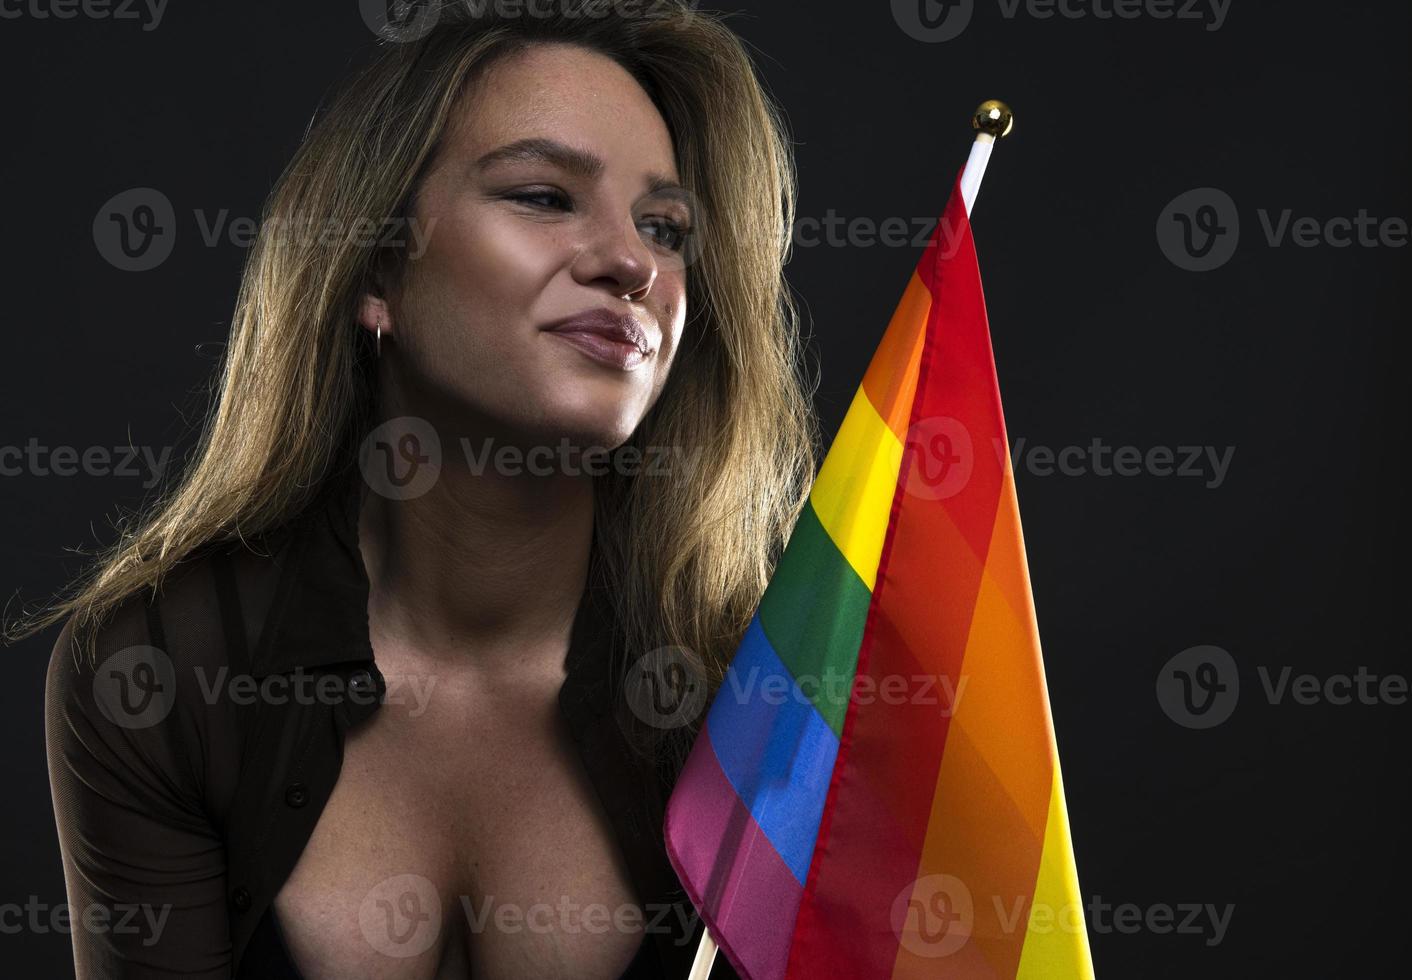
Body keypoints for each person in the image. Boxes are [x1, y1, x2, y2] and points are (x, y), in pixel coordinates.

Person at [8, 2, 817, 976]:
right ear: (378, 265)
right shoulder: (165, 671)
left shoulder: (765, 696)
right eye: (543, 195)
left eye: (665, 225)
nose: (632, 261)